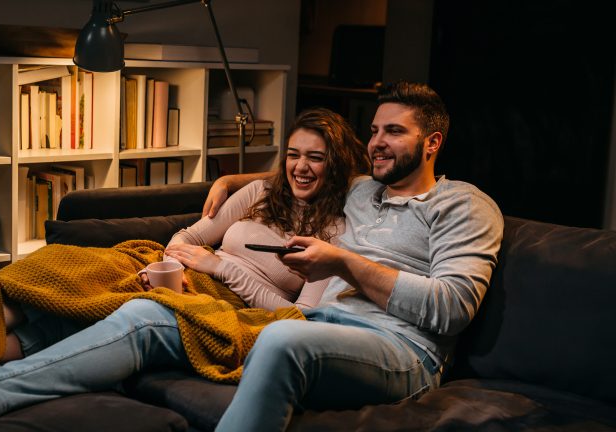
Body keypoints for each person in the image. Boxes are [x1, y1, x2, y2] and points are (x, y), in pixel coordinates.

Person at [0, 107, 373, 426]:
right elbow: (188, 235)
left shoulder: (337, 237)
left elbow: (293, 317)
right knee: (49, 273)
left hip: (224, 304)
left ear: (338, 163)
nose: (300, 167)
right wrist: (174, 262)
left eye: (316, 157)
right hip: (172, 273)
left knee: (61, 307)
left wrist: (219, 267)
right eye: (293, 153)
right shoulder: (257, 192)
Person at [204, 81, 504, 431]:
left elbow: (451, 309)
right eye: (375, 131)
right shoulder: (361, 189)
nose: (377, 142)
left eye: (393, 131)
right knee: (158, 319)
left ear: (432, 142)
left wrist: (343, 263)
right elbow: (303, 170)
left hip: (402, 350)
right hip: (320, 327)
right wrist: (229, 181)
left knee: (280, 338)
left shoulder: (462, 204)